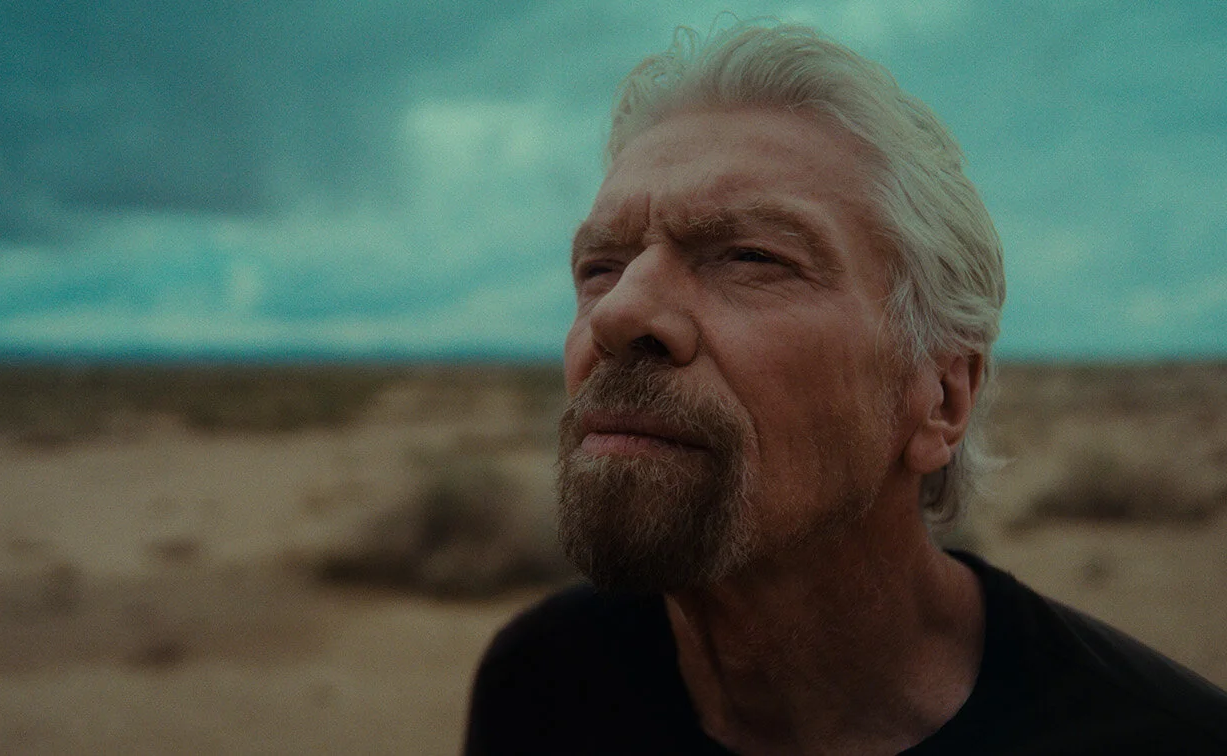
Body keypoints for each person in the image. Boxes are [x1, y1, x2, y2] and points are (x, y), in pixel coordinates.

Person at [464, 20, 1227, 756]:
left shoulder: (1162, 740)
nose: (618, 312)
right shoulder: (541, 688)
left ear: (940, 398)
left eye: (752, 257)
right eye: (601, 267)